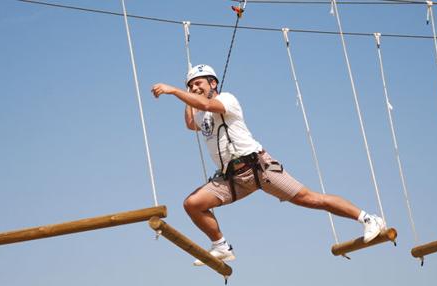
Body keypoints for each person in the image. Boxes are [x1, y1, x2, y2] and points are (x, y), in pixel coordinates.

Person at [151, 64, 385, 265]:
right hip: (231, 178)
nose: (194, 88)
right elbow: (191, 123)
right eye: (191, 85)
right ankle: (221, 247)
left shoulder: (226, 99)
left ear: (213, 83)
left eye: (199, 83)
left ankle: (368, 218)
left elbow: (208, 105)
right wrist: (188, 95)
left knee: (311, 199)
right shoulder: (202, 113)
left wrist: (175, 90)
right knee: (192, 204)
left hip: (259, 167)